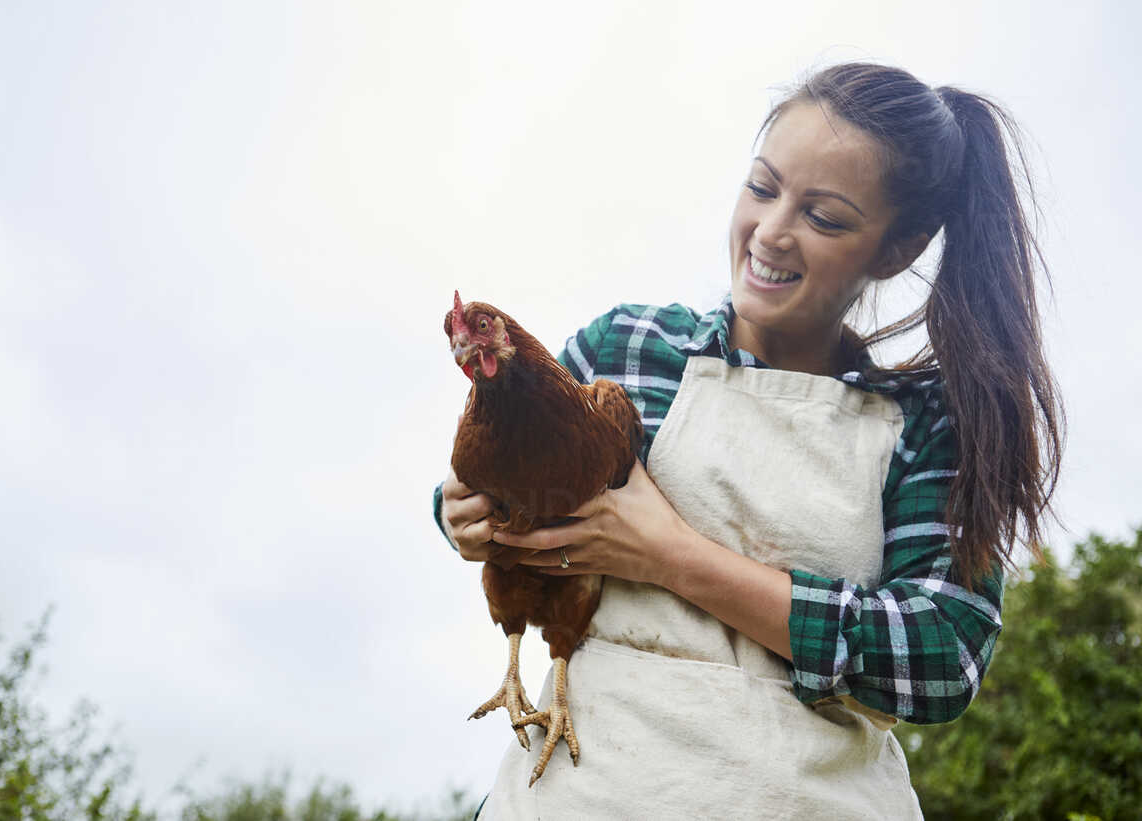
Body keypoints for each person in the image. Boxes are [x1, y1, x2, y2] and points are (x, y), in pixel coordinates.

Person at [434, 61, 1063, 819]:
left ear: (896, 250)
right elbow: (482, 475)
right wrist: (458, 510)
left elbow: (941, 656)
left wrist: (672, 555)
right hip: (591, 789)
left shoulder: (927, 425)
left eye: (824, 217)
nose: (772, 231)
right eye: (763, 188)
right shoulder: (632, 350)